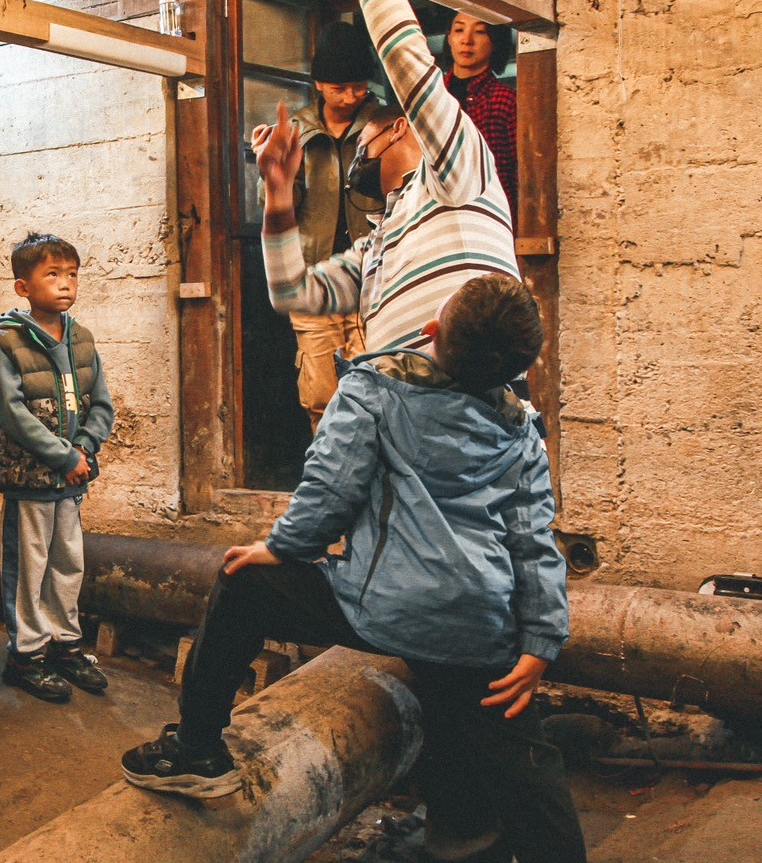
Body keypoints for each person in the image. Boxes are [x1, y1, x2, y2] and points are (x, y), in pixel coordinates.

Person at [120, 274, 586, 863]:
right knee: (524, 759)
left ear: (431, 330)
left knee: (244, 583)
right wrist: (541, 640)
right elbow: (534, 539)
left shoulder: (376, 388)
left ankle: (195, 750)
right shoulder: (522, 425)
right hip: (481, 623)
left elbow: (331, 488)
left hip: (387, 609)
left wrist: (282, 548)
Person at [254, 0, 519, 355]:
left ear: (398, 129)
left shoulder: (458, 172)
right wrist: (277, 192)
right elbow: (292, 292)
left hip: (471, 404)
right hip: (401, 405)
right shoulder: (378, 242)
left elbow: (414, 76)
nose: (358, 156)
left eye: (365, 144)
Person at [0, 234, 115, 702]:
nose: (65, 284)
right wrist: (63, 457)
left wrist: (83, 448)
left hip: (72, 478)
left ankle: (65, 645)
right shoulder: (8, 340)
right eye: (52, 274)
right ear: (23, 287)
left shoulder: (82, 338)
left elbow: (102, 403)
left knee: (68, 562)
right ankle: (26, 655)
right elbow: (12, 414)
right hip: (31, 478)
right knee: (30, 565)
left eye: (72, 274)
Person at [253, 22, 386, 431]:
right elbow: (273, 205)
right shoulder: (295, 130)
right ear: (318, 84)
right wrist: (272, 170)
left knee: (382, 388)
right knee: (320, 393)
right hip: (315, 277)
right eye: (338, 87)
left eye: (358, 86)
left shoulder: (386, 125)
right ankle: (331, 479)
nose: (349, 97)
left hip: (375, 276)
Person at [445, 11, 519, 225]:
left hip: (491, 217)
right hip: (441, 217)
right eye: (459, 30)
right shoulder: (433, 96)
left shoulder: (505, 100)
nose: (466, 40)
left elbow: (518, 174)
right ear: (449, 37)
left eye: (480, 32)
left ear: (495, 41)